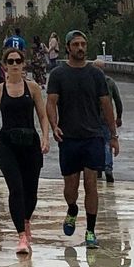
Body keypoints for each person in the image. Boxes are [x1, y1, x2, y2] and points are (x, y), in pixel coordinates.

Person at [46, 30, 118, 249]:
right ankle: (72, 209)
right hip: (69, 138)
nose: (80, 48)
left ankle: (90, 231)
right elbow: (51, 103)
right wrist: (54, 125)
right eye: (76, 44)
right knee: (71, 187)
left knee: (91, 184)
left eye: (83, 44)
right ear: (67, 47)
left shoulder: (95, 75)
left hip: (93, 136)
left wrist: (113, 135)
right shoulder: (58, 74)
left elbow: (106, 104)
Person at [0, 45, 49, 255]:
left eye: (17, 61)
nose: (14, 65)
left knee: (31, 192)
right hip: (7, 145)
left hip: (30, 143)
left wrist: (45, 138)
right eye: (10, 62)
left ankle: (26, 219)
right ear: (4, 66)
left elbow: (42, 115)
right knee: (16, 189)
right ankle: (21, 235)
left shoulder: (34, 88)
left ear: (23, 64)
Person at [102, 73, 123, 186]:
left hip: (92, 118)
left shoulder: (88, 79)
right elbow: (117, 100)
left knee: (95, 142)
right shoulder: (110, 82)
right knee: (107, 143)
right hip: (106, 117)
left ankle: (96, 168)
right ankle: (108, 168)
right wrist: (119, 116)